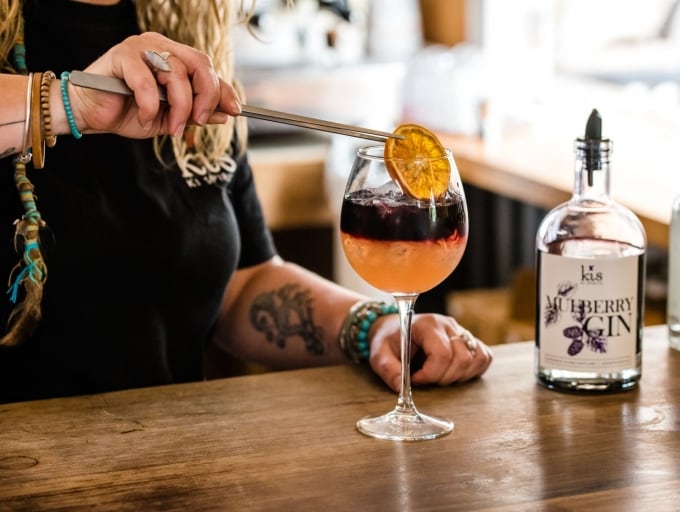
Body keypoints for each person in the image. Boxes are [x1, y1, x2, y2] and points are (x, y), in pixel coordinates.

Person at [0, 0, 492, 404]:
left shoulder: (184, 37)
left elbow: (240, 284)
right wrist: (68, 103)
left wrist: (373, 328)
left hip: (168, 456)